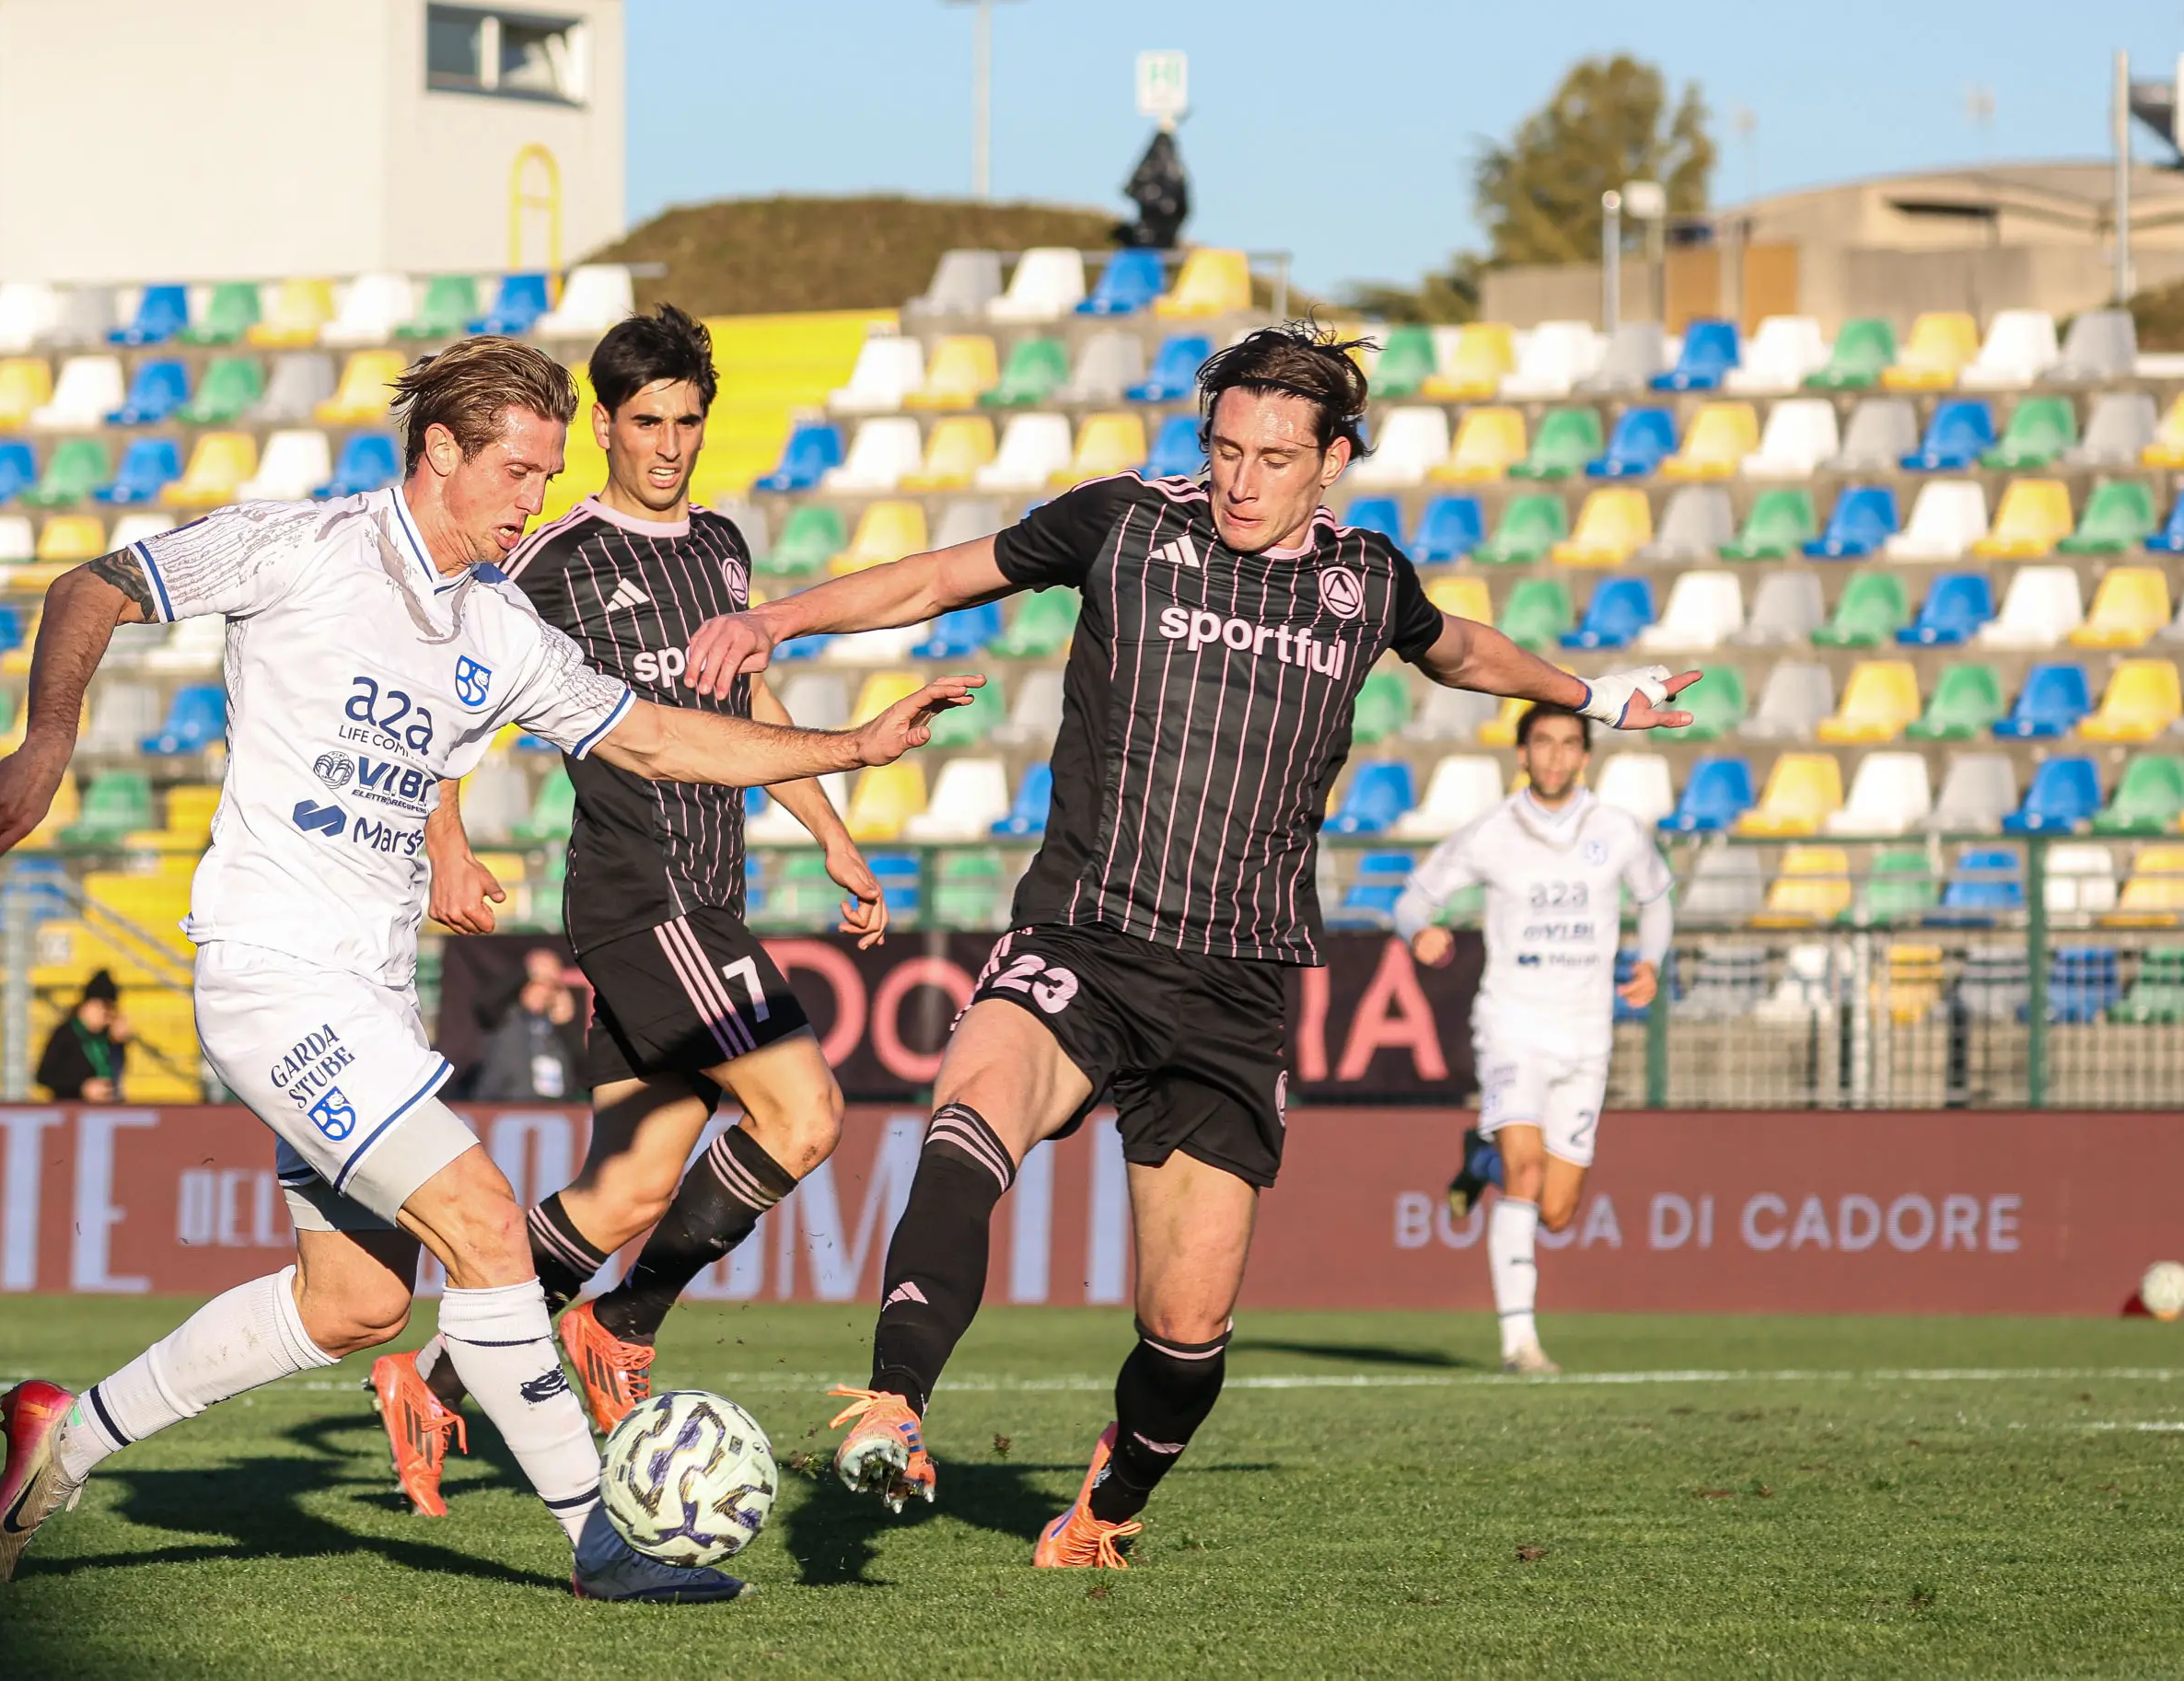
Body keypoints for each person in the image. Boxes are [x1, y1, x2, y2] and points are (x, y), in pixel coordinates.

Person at [0, 333, 976, 1601]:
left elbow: (655, 739)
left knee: (356, 1304)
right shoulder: (300, 546)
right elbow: (91, 584)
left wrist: (852, 747)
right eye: (517, 472)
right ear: (441, 453)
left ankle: (71, 1429)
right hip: (271, 971)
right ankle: (605, 1541)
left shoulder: (497, 624)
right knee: (488, 1225)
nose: (531, 500)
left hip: (371, 989)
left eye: (545, 475)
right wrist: (47, 747)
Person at [680, 320, 1701, 1569]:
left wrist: (1593, 695)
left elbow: (1463, 652)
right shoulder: (1124, 526)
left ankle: (1100, 1513)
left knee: (1187, 1326)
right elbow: (938, 578)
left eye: (1274, 457)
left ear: (1331, 461)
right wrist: (776, 621)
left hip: (1237, 980)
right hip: (1088, 934)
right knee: (972, 1105)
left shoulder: (1367, 579)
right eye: (1224, 449)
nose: (1241, 480)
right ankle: (894, 1401)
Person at [374, 305, 887, 1516]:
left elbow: (752, 708)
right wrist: (445, 837)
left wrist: (835, 835)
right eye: (645, 421)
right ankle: (622, 1322)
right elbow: (462, 691)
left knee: (629, 1189)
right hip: (639, 894)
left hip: (710, 894)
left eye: (687, 421)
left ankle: (429, 1377)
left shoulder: (718, 543)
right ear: (601, 424)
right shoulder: (551, 558)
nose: (668, 443)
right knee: (805, 1112)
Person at [1392, 702, 1673, 1376]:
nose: (1553, 755)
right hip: (1511, 1025)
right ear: (1520, 754)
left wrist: (1650, 962)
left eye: (1567, 744)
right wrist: (1418, 931)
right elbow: (1410, 898)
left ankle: (1477, 1161)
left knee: (1556, 1210)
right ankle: (1520, 1343)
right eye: (1541, 742)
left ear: (1584, 756)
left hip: (1585, 1034)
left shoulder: (1617, 830)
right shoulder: (1490, 831)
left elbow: (1656, 898)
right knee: (1526, 1169)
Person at [467, 946, 582, 1102]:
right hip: (502, 1106)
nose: (543, 991)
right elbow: (484, 1004)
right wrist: (527, 971)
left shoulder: (558, 1026)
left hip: (553, 1110)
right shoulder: (504, 1016)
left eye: (550, 986)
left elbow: (582, 1068)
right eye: (538, 984)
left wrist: (566, 1025)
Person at [32, 970, 131, 1104]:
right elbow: (44, 1076)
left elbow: (116, 1077)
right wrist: (81, 1087)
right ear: (88, 1006)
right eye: (103, 1008)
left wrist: (119, 1044)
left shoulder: (105, 1039)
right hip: (71, 1110)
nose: (107, 1016)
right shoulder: (66, 1034)